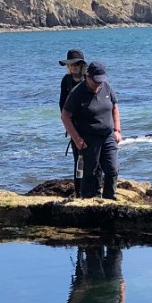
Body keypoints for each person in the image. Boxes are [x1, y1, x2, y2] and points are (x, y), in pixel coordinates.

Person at [61, 60, 121, 199]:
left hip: (107, 135)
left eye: (100, 80)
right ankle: (87, 200)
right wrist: (77, 139)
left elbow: (114, 107)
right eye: (95, 81)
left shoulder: (106, 86)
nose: (98, 84)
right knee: (89, 172)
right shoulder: (77, 93)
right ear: (87, 76)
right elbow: (65, 116)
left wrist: (117, 130)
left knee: (112, 169)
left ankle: (109, 200)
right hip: (88, 138)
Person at [58, 49, 88, 183]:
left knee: (94, 158)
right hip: (74, 125)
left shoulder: (90, 79)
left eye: (76, 64)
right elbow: (62, 104)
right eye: (71, 65)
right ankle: (79, 191)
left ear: (82, 65)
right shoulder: (66, 80)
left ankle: (95, 189)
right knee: (78, 158)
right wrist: (69, 125)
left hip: (91, 123)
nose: (73, 67)